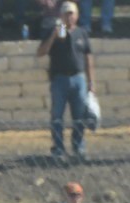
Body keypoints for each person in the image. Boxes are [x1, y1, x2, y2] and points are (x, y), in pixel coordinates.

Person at [38, 1, 94, 161]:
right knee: (57, 116)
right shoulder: (55, 32)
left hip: (78, 78)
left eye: (71, 14)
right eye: (66, 14)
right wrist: (53, 36)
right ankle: (58, 148)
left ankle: (78, 147)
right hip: (59, 78)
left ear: (76, 16)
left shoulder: (82, 33)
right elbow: (41, 52)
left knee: (79, 116)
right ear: (61, 16)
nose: (69, 17)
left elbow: (88, 57)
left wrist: (91, 82)